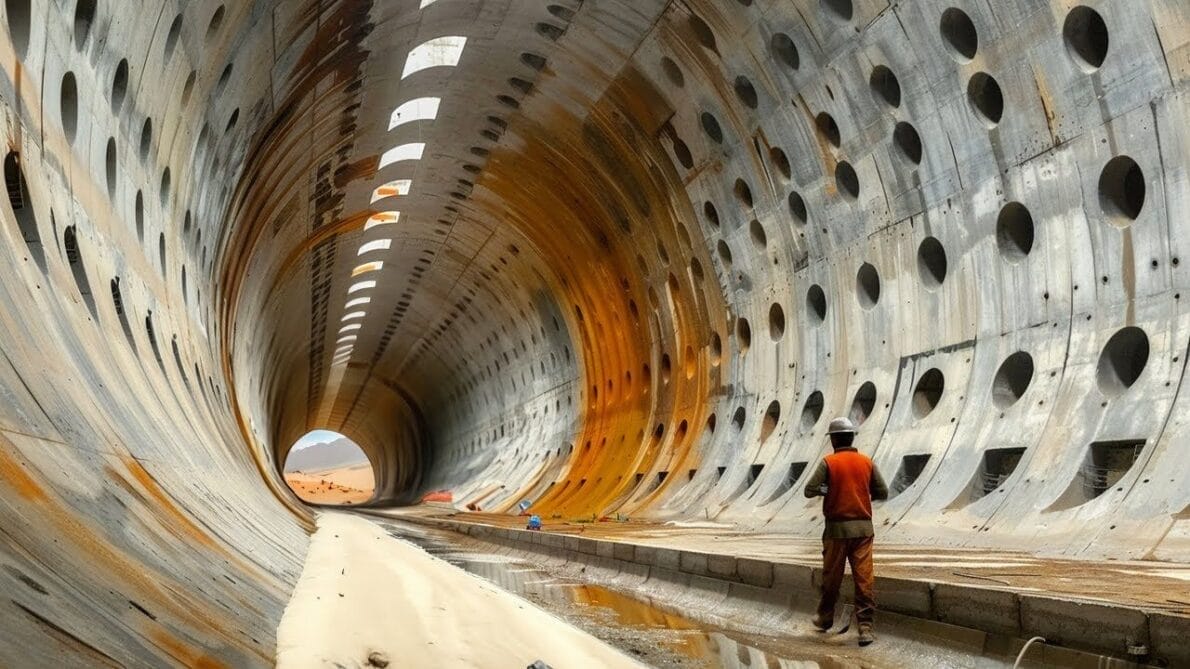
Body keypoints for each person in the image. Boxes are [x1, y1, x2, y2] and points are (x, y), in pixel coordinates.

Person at [803, 416, 888, 646]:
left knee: (832, 578)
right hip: (863, 530)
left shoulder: (828, 463)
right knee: (864, 578)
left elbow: (809, 490)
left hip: (836, 532)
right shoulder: (866, 462)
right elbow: (883, 491)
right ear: (851, 437)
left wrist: (828, 488)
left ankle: (825, 618)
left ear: (834, 440)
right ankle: (866, 628)